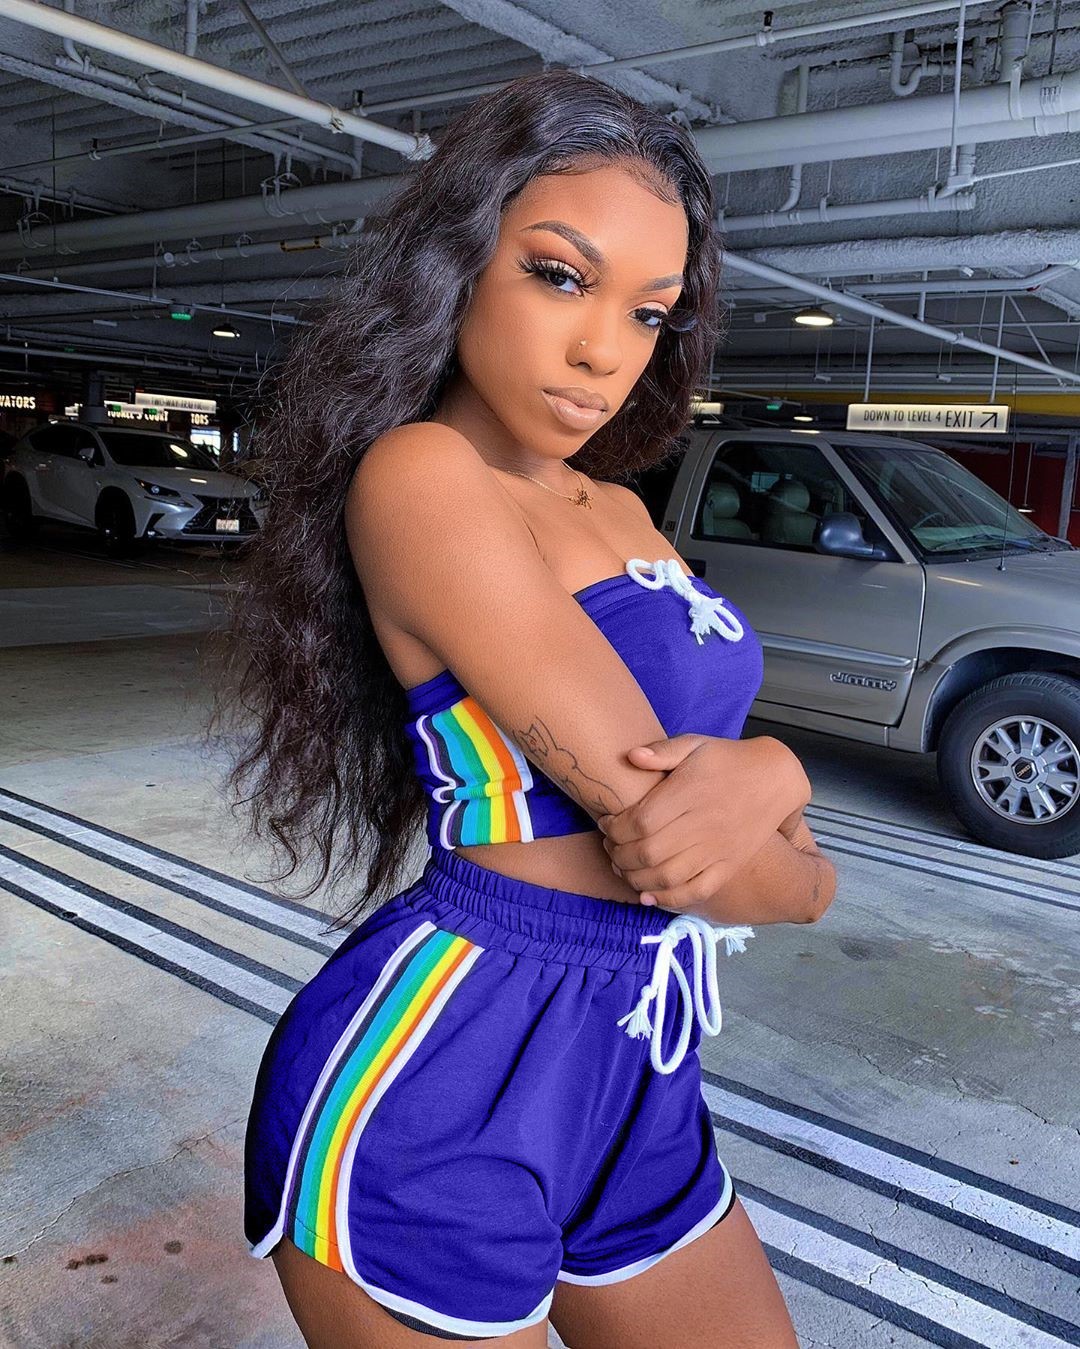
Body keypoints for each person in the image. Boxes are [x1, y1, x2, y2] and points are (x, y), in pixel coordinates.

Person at [220, 68, 836, 1348]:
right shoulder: (423, 476)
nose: (605, 348)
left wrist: (766, 787)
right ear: (459, 267)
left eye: (649, 310)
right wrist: (779, 784)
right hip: (448, 1067)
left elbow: (738, 850)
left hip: (638, 1063)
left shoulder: (621, 508)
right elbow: (689, 851)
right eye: (561, 276)